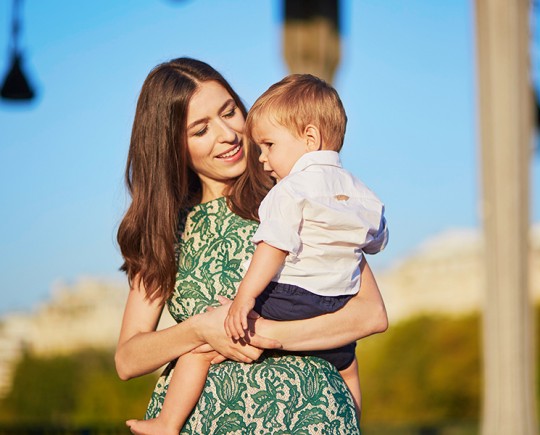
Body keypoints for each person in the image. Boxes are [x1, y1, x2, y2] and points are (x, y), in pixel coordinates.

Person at [116, 57, 388, 435]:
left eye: (229, 112)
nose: (227, 134)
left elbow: (369, 314)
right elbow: (128, 359)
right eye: (200, 130)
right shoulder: (165, 233)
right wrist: (201, 330)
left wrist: (267, 334)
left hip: (311, 419)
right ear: (172, 148)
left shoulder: (294, 196)